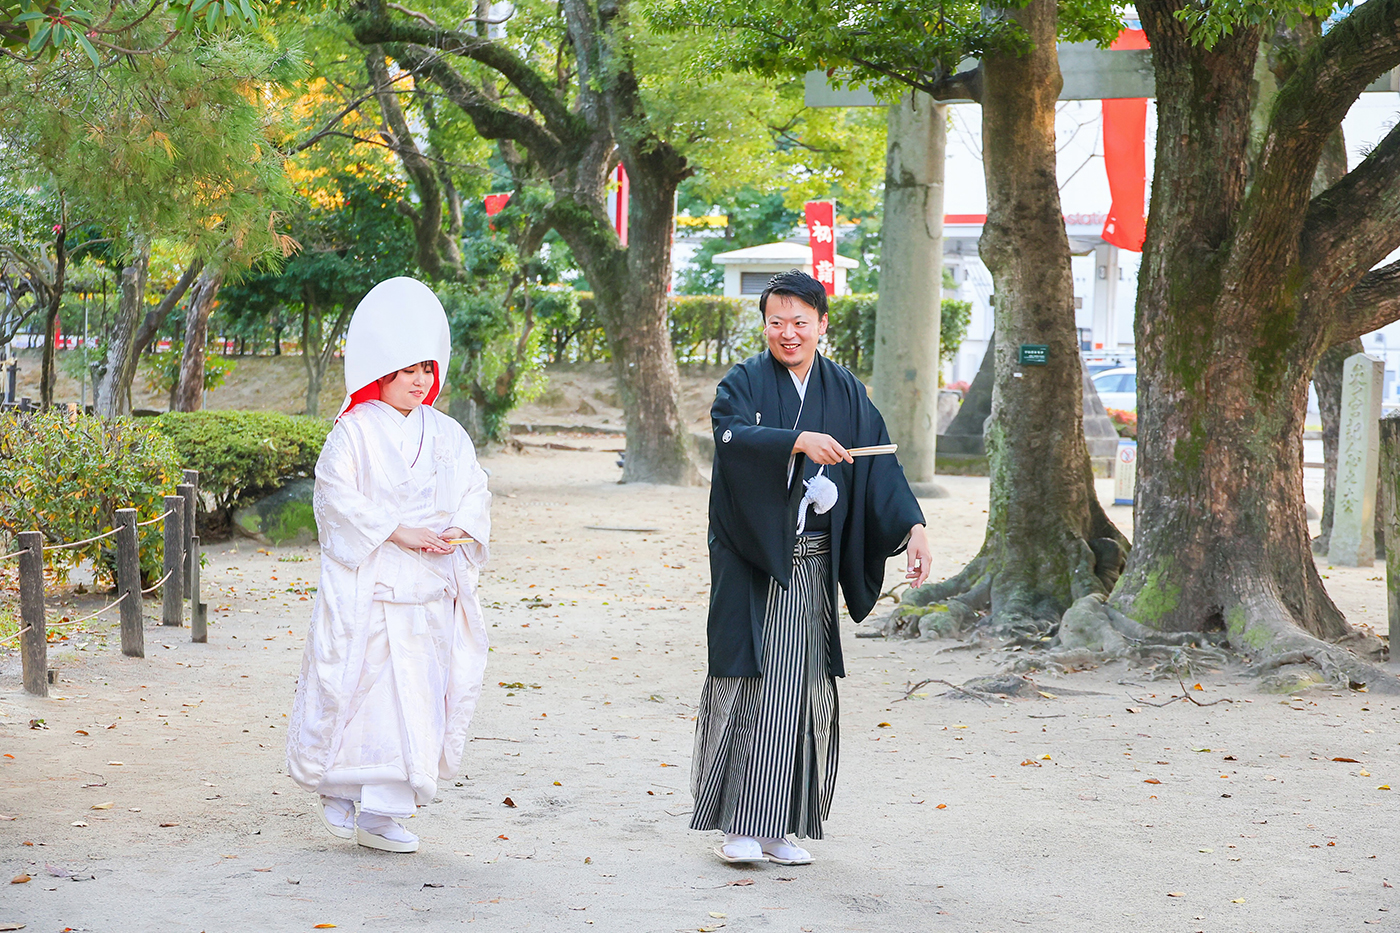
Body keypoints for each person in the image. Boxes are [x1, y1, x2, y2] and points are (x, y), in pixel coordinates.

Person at [690, 270, 931, 865]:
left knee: (800, 687)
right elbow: (730, 434)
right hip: (754, 557)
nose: (788, 333)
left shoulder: (845, 390)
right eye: (777, 322)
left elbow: (880, 463)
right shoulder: (744, 380)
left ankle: (781, 828)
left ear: (823, 324)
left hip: (814, 564)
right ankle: (738, 827)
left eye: (801, 322)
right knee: (750, 678)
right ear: (765, 325)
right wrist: (797, 441)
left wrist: (914, 526)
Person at [286, 277, 492, 854]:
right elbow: (335, 498)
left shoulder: (446, 432)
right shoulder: (352, 433)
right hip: (374, 586)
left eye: (427, 370)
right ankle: (338, 786)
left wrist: (461, 527)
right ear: (382, 374)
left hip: (428, 589)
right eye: (408, 371)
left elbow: (475, 488)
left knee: (415, 696)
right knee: (361, 690)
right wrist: (397, 530)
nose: (420, 381)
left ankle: (384, 811)